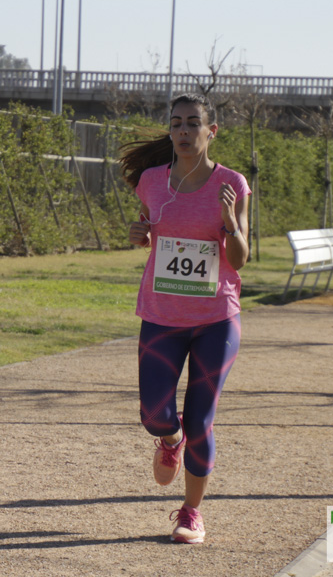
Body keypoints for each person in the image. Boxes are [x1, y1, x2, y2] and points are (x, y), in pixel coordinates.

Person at [121, 93, 251, 544]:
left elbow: (240, 260)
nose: (183, 131)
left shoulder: (232, 183)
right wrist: (139, 234)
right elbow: (146, 229)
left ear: (210, 131)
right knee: (156, 414)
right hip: (161, 314)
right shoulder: (152, 181)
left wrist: (229, 221)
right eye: (176, 123)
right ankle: (167, 438)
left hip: (216, 317)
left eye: (193, 123)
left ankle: (191, 512)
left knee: (200, 421)